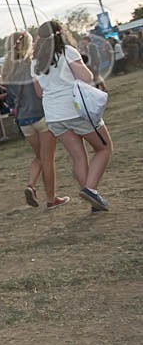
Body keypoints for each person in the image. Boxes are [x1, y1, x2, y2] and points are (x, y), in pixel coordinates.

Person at [31, 21, 113, 212]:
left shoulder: (35, 62)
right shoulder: (67, 51)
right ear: (60, 34)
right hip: (74, 109)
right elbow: (86, 77)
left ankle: (93, 199)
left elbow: (39, 92)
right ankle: (90, 189)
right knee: (104, 148)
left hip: (53, 115)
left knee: (78, 155)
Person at [2, 31, 70, 209]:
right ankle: (51, 198)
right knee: (48, 158)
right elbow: (40, 92)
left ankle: (30, 185)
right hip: (41, 115)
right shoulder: (33, 65)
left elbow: (9, 99)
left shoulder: (7, 70)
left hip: (24, 120)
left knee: (39, 156)